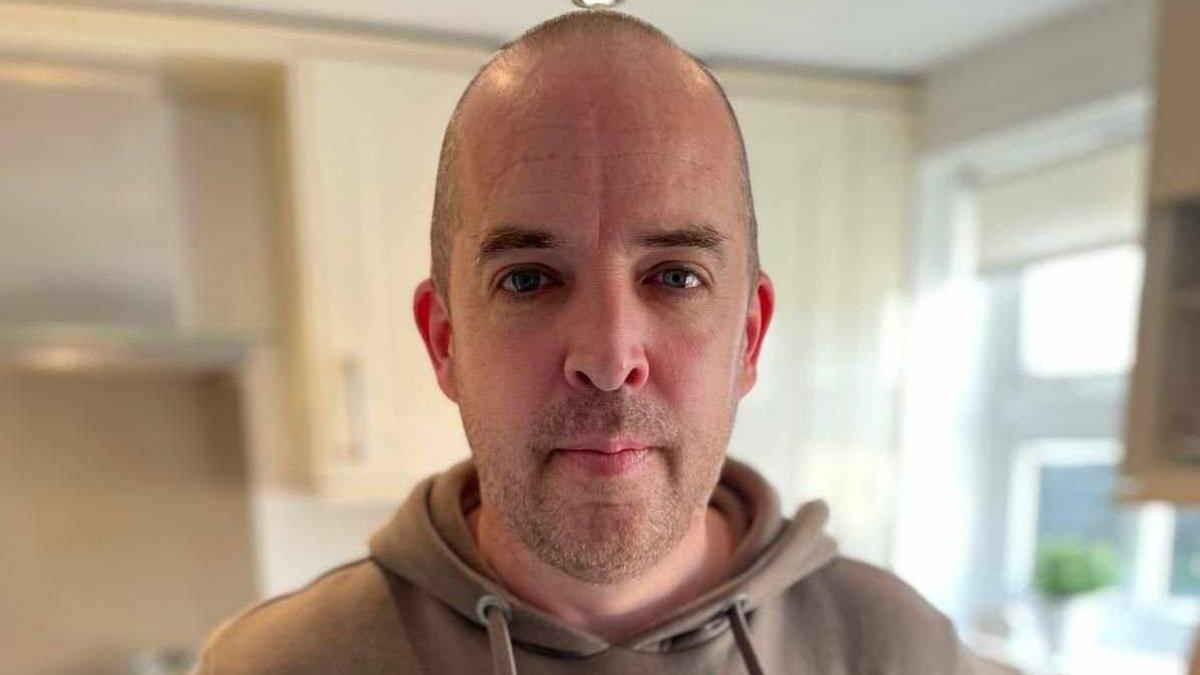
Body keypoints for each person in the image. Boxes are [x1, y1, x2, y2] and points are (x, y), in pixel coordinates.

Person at [193, 10, 980, 675]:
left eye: (674, 276)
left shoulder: (903, 650)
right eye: (529, 279)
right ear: (445, 342)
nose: (608, 359)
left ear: (748, 336)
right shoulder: (274, 665)